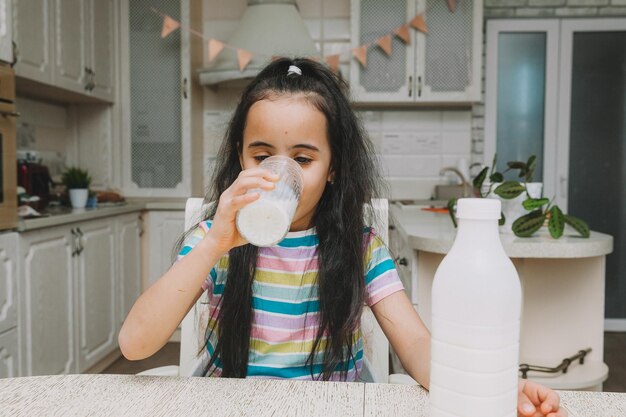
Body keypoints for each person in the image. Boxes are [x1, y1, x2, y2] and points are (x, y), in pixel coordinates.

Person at [119, 57, 566, 417]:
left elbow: (413, 343)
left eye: (303, 158)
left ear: (332, 168)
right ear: (240, 158)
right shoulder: (215, 240)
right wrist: (216, 241)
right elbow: (135, 344)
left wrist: (491, 389)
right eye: (261, 155)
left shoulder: (359, 246)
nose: (280, 174)